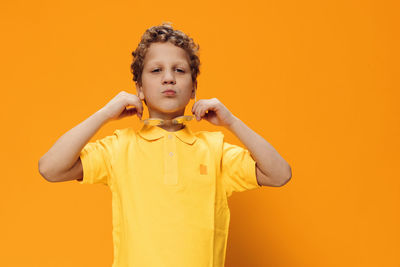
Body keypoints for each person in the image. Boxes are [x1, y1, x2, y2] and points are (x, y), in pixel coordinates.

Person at [38, 22, 292, 267]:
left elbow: (279, 174)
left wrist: (232, 123)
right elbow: (51, 168)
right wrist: (104, 114)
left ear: (193, 89)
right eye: (156, 70)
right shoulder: (120, 148)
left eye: (179, 70)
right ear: (139, 88)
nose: (168, 78)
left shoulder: (215, 150)